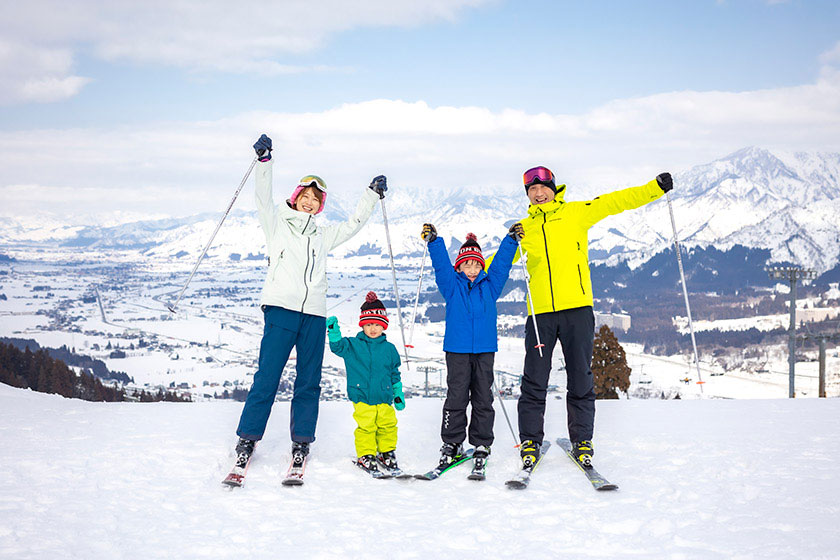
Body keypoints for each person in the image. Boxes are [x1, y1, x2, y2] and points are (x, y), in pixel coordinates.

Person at [232, 133, 388, 474]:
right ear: (296, 197)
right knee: (267, 378)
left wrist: (371, 196)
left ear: (320, 205)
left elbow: (353, 225)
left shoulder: (322, 234)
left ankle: (301, 441)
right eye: (306, 195)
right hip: (281, 311)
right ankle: (247, 438)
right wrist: (264, 161)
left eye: (317, 199)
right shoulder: (276, 224)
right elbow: (261, 196)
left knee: (309, 381)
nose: (310, 202)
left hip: (314, 316)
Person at [507, 166, 672, 468]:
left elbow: (614, 202)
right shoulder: (523, 229)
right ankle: (530, 441)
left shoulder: (576, 213)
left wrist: (655, 188)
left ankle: (582, 440)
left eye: (543, 187)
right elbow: (497, 263)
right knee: (534, 380)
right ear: (528, 195)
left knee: (580, 377)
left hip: (577, 311)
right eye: (532, 189)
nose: (538, 193)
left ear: (554, 189)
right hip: (539, 315)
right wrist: (464, 270)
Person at [421, 225, 518, 475]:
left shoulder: (491, 285)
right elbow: (441, 266)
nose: (473, 270)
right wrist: (434, 242)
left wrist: (511, 241)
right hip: (457, 350)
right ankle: (452, 441)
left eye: (477, 265)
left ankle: (482, 442)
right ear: (459, 267)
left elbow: (501, 266)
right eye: (467, 266)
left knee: (483, 398)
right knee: (456, 397)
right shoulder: (451, 286)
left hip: (485, 349)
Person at [326, 292, 405, 475]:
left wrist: (398, 394)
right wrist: (334, 330)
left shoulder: (390, 349)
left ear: (383, 326)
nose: (373, 328)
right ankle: (366, 454)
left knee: (388, 425)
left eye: (377, 324)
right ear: (362, 325)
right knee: (367, 426)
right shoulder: (353, 345)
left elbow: (395, 373)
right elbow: (337, 346)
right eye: (369, 324)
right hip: (362, 395)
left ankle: (386, 452)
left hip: (384, 396)